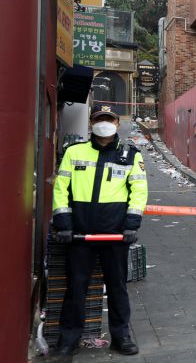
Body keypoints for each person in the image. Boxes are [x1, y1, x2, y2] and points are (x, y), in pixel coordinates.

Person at [51, 104, 148, 356]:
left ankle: (122, 336)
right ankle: (68, 339)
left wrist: (131, 226)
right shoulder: (74, 152)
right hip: (80, 234)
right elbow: (61, 188)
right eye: (99, 119)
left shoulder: (130, 154)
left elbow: (139, 192)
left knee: (117, 287)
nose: (103, 123)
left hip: (115, 235)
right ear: (92, 123)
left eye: (108, 119)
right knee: (76, 288)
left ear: (117, 124)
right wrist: (63, 224)